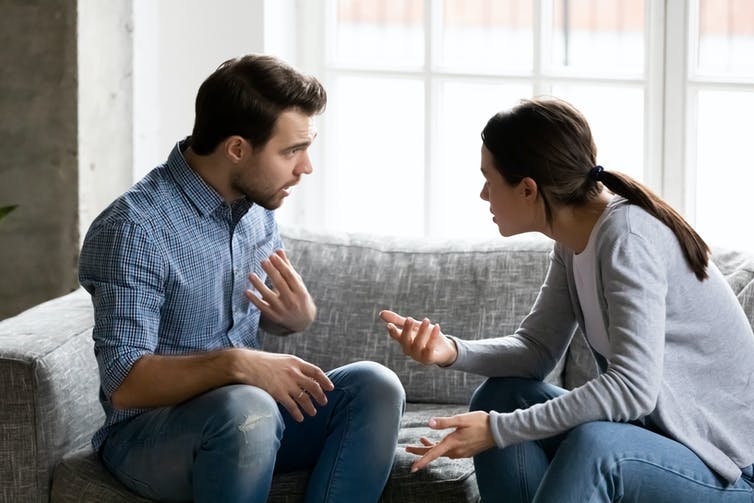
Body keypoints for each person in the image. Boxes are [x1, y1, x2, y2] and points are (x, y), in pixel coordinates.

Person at [379, 97, 754, 502]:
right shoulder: (572, 241)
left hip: (728, 471)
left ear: (527, 189)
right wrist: (451, 350)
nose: (483, 193)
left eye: (489, 178)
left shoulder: (627, 238)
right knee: (501, 396)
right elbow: (535, 351)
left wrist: (497, 430)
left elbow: (632, 389)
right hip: (662, 445)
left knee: (597, 446)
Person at [79, 54, 405, 503]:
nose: (305, 167)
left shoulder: (257, 208)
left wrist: (293, 317)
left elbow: (241, 314)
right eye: (291, 151)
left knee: (375, 385)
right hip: (150, 436)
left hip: (251, 421)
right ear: (237, 149)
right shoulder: (133, 229)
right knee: (247, 406)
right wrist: (237, 363)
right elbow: (125, 384)